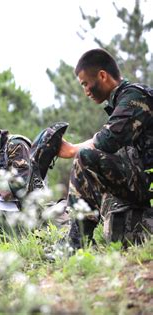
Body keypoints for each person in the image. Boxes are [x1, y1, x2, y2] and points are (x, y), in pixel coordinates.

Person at [58, 48, 152, 248]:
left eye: (85, 84)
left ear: (102, 75)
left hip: (148, 181)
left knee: (85, 158)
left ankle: (75, 244)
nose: (86, 91)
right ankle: (77, 238)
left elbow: (107, 141)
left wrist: (71, 150)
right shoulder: (122, 100)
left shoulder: (135, 97)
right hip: (143, 180)